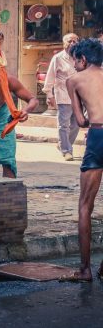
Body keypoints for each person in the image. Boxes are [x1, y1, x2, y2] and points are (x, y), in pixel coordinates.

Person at [63, 38, 103, 282]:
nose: (74, 65)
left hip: (98, 136)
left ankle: (85, 269)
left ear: (83, 59)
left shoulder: (74, 81)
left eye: (75, 60)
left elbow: (79, 121)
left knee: (85, 205)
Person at [42, 33, 79, 161]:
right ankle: (67, 150)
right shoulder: (57, 58)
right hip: (63, 95)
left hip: (78, 96)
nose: (73, 43)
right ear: (64, 43)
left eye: (75, 41)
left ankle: (63, 144)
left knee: (77, 124)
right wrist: (49, 94)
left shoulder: (80, 57)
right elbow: (50, 77)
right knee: (64, 125)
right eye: (70, 41)